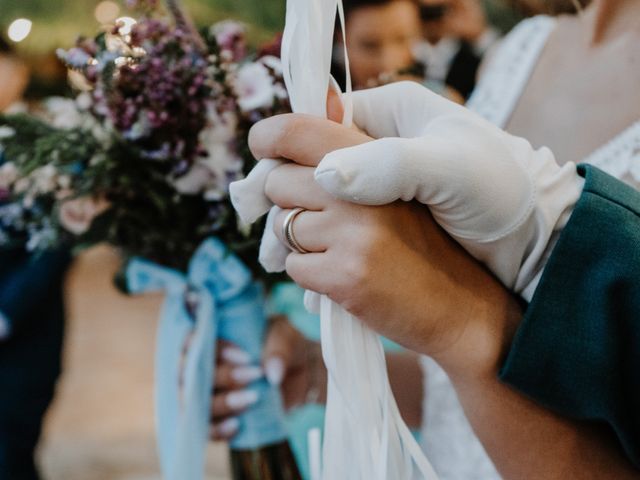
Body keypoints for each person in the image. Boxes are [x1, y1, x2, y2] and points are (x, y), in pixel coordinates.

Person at [0, 37, 72, 480]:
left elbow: (59, 240)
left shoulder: (47, 143)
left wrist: (7, 312)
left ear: (17, 73)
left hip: (25, 331)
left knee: (11, 452)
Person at [414, 0, 499, 99]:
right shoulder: (413, 56)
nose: (433, 21)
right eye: (426, 12)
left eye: (440, 10)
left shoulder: (469, 55)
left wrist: (477, 32)